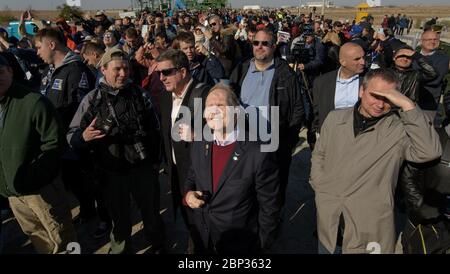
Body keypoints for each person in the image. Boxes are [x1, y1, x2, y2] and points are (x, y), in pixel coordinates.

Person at [310, 69, 442, 254]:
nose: (380, 104)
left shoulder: (400, 130)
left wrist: (407, 104)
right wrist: (320, 185)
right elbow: (319, 154)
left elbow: (429, 152)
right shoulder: (335, 118)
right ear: (361, 91)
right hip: (329, 211)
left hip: (370, 221)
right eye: (375, 95)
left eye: (388, 98)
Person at [67, 48, 164, 254]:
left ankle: (158, 245)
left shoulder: (140, 94)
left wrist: (156, 161)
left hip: (142, 168)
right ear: (103, 69)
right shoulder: (92, 100)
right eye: (117, 69)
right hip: (111, 172)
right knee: (119, 218)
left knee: (151, 213)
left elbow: (156, 128)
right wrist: (83, 137)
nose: (123, 73)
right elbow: (72, 135)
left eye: (126, 68)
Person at [184, 83, 281, 254]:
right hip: (202, 238)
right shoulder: (199, 142)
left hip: (240, 245)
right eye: (209, 106)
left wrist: (261, 245)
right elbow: (192, 177)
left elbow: (270, 207)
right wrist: (188, 194)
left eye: (220, 105)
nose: (214, 111)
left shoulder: (258, 152)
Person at [0, 55, 76, 254]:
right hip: (13, 194)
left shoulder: (33, 102)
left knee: (64, 239)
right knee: (38, 239)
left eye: (0, 72)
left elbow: (55, 144)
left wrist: (35, 175)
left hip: (42, 191)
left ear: (9, 71)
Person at [229, 28, 305, 203]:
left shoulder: (285, 74)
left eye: (265, 43)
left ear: (274, 46)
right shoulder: (241, 69)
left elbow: (297, 109)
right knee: (244, 191)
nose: (260, 47)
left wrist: (288, 143)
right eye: (256, 43)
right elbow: (229, 100)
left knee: (272, 194)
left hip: (273, 145)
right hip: (243, 142)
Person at [156, 49, 211, 253]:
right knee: (188, 220)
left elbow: (230, 131)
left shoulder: (205, 94)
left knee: (202, 224)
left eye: (166, 72)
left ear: (183, 71)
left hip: (199, 175)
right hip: (177, 172)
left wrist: (199, 134)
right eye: (159, 73)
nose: (161, 78)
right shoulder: (165, 97)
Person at [312, 42, 365, 134]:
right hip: (331, 135)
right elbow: (317, 110)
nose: (363, 62)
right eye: (357, 59)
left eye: (363, 57)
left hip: (359, 135)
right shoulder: (322, 82)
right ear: (343, 62)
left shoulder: (369, 79)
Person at [415, 30, 450, 116]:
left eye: (435, 39)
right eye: (429, 39)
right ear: (422, 41)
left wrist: (411, 78)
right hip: (409, 99)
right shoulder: (414, 55)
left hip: (428, 102)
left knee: (425, 127)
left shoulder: (443, 58)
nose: (432, 42)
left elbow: (435, 79)